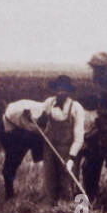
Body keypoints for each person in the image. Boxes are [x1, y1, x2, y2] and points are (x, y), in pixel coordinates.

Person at [38, 75, 87, 205]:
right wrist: (33, 116)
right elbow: (39, 117)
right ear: (54, 90)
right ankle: (52, 212)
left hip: (68, 150)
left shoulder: (76, 108)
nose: (60, 92)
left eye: (64, 90)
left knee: (69, 183)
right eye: (58, 89)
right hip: (50, 149)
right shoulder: (48, 103)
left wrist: (71, 158)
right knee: (50, 182)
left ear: (69, 91)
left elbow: (79, 138)